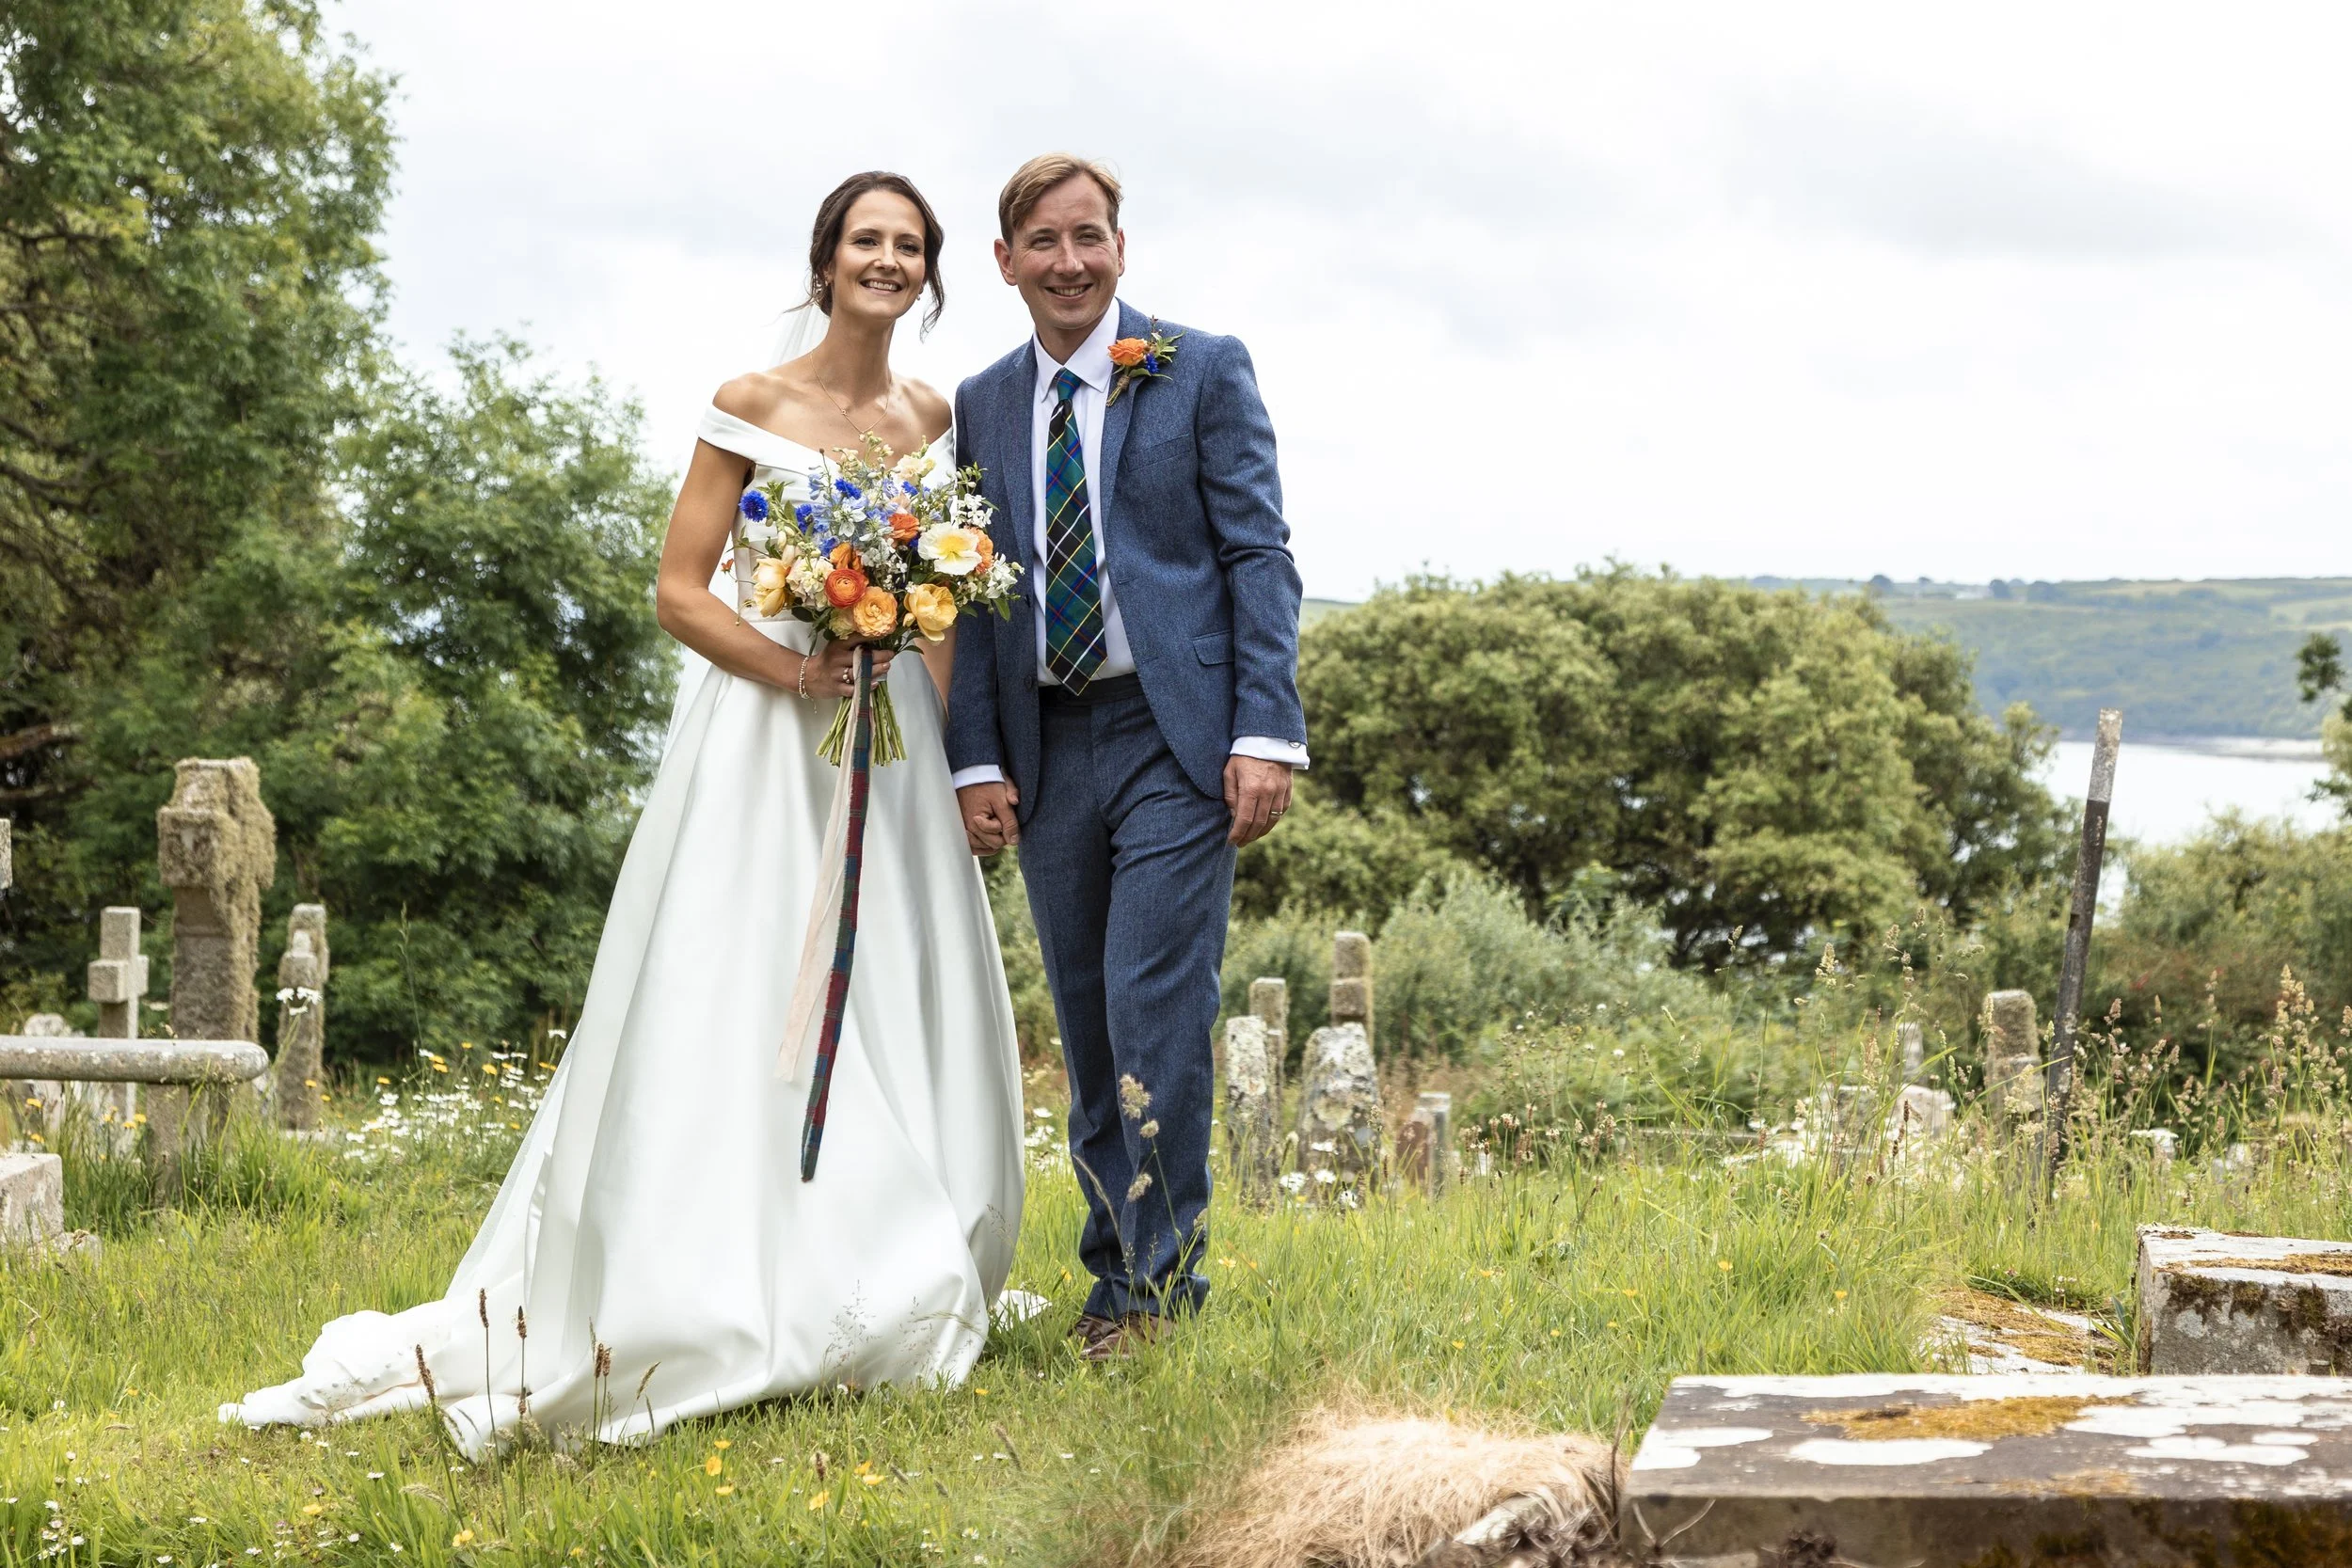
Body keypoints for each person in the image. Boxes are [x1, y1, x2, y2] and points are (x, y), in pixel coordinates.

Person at [222, 172, 1025, 1456]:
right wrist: (799, 664)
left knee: (889, 980)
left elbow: (940, 612)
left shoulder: (934, 414)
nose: (886, 260)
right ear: (824, 262)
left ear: (929, 277)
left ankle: (889, 1248)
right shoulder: (749, 404)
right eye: (865, 240)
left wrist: (958, 755)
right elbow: (680, 587)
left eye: (908, 247)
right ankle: (721, 1271)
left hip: (891, 748)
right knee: (749, 982)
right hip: (772, 735)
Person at [946, 154, 1307, 1360]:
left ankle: (1152, 1295)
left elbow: (1258, 556)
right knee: (1090, 1024)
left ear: (1120, 246)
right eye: (1042, 242)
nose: (1069, 262)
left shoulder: (1201, 368)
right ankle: (1113, 1266)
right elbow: (971, 594)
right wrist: (974, 757)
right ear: (1004, 262)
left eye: (1088, 237)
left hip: (1174, 740)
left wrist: (1265, 731)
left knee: (1155, 1004)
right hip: (1046, 746)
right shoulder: (983, 402)